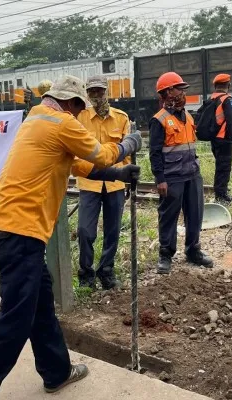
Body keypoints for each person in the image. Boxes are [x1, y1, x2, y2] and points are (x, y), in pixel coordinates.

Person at [0, 75, 142, 400]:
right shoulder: (60, 123)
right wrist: (129, 146)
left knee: (40, 307)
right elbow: (101, 154)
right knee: (13, 323)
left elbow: (80, 166)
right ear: (72, 103)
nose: (78, 115)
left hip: (10, 229)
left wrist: (117, 174)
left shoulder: (37, 119)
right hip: (20, 233)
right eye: (79, 108)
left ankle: (56, 372)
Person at [149, 71, 213, 275]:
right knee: (168, 216)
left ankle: (193, 250)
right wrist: (160, 179)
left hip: (192, 174)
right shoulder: (159, 120)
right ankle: (165, 254)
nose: (183, 93)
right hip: (172, 176)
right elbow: (155, 153)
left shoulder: (187, 115)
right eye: (179, 89)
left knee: (195, 214)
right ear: (168, 92)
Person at [76, 75, 131, 290]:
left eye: (99, 91)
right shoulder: (80, 118)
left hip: (115, 184)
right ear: (87, 95)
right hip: (89, 183)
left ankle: (106, 270)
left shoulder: (121, 118)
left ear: (107, 91)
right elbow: (76, 153)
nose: (96, 95)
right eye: (92, 92)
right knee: (85, 231)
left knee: (113, 230)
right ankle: (86, 273)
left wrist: (119, 172)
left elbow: (128, 152)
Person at [206, 73, 232, 204]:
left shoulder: (212, 98)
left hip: (214, 139)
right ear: (228, 85)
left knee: (220, 167)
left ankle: (221, 194)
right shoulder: (227, 99)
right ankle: (221, 196)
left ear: (215, 86)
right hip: (224, 139)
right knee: (224, 168)